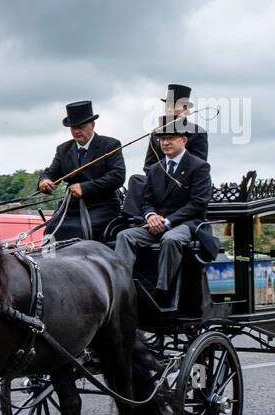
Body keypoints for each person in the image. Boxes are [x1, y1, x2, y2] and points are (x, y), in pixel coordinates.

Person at [114, 125, 212, 309]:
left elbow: (198, 204)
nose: (165, 143)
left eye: (171, 139)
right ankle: (121, 286)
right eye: (162, 139)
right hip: (157, 224)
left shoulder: (199, 167)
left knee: (170, 240)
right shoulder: (155, 169)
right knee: (125, 236)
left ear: (183, 140)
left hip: (187, 224)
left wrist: (168, 221)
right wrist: (151, 216)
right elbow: (146, 201)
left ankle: (162, 291)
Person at [37, 100, 125, 242]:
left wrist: (85, 188)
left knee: (79, 231)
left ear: (92, 125)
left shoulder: (110, 145)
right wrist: (44, 181)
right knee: (51, 229)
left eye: (81, 127)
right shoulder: (63, 149)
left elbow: (117, 176)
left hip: (101, 206)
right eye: (73, 128)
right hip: (71, 207)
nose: (77, 131)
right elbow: (51, 172)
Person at [143, 83, 208, 169]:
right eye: (168, 105)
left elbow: (199, 164)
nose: (169, 109)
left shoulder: (197, 132)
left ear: (185, 108)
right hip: (158, 179)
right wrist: (159, 178)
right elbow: (148, 165)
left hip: (185, 179)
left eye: (174, 106)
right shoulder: (156, 132)